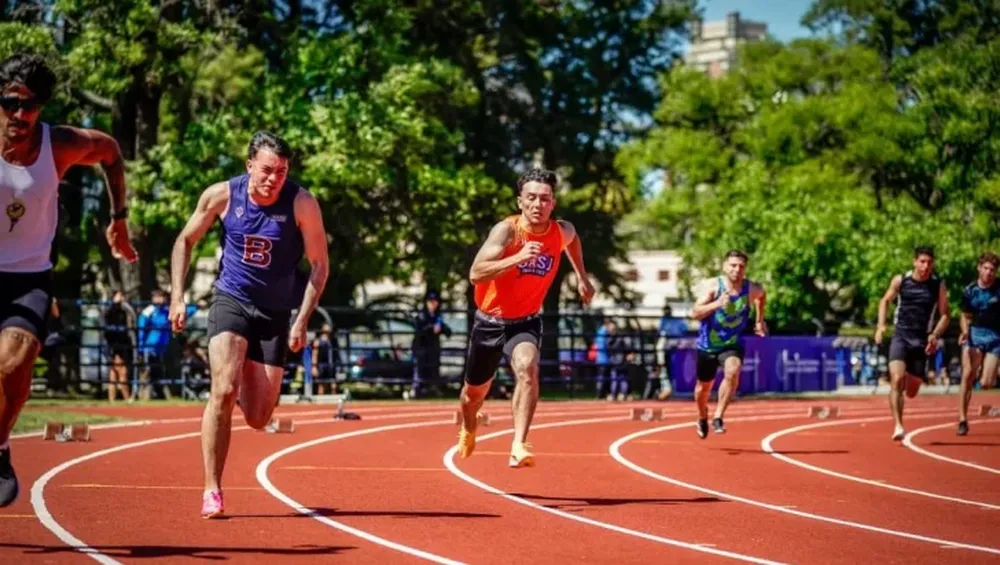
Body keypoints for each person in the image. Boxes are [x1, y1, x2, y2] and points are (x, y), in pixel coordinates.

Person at [168, 131, 329, 518]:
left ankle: (239, 382)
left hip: (275, 313)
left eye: (282, 171)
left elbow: (319, 264)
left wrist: (302, 319)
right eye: (267, 170)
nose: (274, 178)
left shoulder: (302, 202)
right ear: (249, 165)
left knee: (259, 417)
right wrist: (178, 294)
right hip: (231, 299)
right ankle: (212, 488)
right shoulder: (222, 195)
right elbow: (185, 241)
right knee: (222, 389)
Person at [0, 54, 137, 508]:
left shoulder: (58, 145)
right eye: (10, 102)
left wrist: (118, 219)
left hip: (29, 275)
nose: (20, 115)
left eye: (31, 105)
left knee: (14, 361)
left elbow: (112, 151)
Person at [456, 167, 594, 468]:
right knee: (472, 395)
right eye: (531, 198)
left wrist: (582, 277)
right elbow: (475, 273)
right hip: (489, 321)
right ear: (520, 201)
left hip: (526, 321)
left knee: (527, 367)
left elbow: (573, 240)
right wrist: (518, 257)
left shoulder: (561, 231)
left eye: (544, 199)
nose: (538, 205)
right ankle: (469, 425)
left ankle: (519, 442)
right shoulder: (506, 231)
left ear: (553, 203)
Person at [875, 246, 950, 441]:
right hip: (901, 336)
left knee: (912, 390)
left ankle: (911, 377)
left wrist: (935, 334)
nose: (925, 266)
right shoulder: (901, 280)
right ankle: (898, 425)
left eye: (929, 262)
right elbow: (885, 301)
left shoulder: (937, 285)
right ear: (914, 262)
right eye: (922, 261)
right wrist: (881, 326)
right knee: (897, 378)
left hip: (921, 340)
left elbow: (945, 315)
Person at [690, 250, 767, 438]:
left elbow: (762, 296)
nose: (737, 270)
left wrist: (759, 320)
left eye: (741, 266)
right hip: (708, 345)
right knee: (702, 389)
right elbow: (694, 313)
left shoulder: (751, 288)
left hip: (732, 343)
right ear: (725, 266)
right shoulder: (713, 287)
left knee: (733, 370)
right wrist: (716, 305)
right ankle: (702, 416)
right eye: (733, 265)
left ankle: (718, 417)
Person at [956, 251, 1000, 436]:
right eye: (986, 268)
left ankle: (983, 368)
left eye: (993, 270)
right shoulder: (970, 291)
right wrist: (965, 332)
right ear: (979, 268)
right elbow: (965, 316)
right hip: (975, 335)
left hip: (996, 337)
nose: (989, 272)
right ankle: (962, 419)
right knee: (967, 375)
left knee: (987, 383)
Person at [409, 291, 451, 399]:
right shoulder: (421, 315)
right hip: (421, 347)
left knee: (433, 368)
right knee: (420, 368)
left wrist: (441, 329)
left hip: (433, 347)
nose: (433, 303)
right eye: (431, 301)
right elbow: (420, 330)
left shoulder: (438, 316)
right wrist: (432, 328)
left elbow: (447, 331)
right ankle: (416, 389)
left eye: (435, 301)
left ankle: (431, 389)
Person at [103, 289, 135, 403]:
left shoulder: (123, 310)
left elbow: (130, 320)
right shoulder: (110, 310)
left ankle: (113, 399)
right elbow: (106, 320)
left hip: (121, 342)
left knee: (115, 372)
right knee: (121, 371)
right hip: (113, 343)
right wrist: (115, 302)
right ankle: (127, 397)